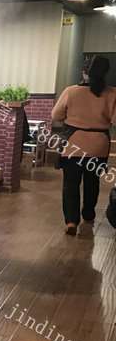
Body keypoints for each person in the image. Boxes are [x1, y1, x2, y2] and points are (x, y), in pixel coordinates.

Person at [50, 56, 116, 235]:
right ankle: (88, 214)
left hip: (73, 143)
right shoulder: (112, 93)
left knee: (70, 183)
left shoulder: (71, 91)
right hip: (99, 145)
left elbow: (56, 115)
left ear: (84, 72)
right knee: (92, 181)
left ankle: (71, 221)